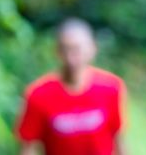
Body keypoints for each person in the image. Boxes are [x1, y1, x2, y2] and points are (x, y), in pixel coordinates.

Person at [15, 18, 127, 155]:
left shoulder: (111, 88)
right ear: (57, 52)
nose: (71, 58)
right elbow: (28, 147)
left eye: (77, 49)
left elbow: (119, 139)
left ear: (92, 48)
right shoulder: (38, 94)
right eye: (65, 50)